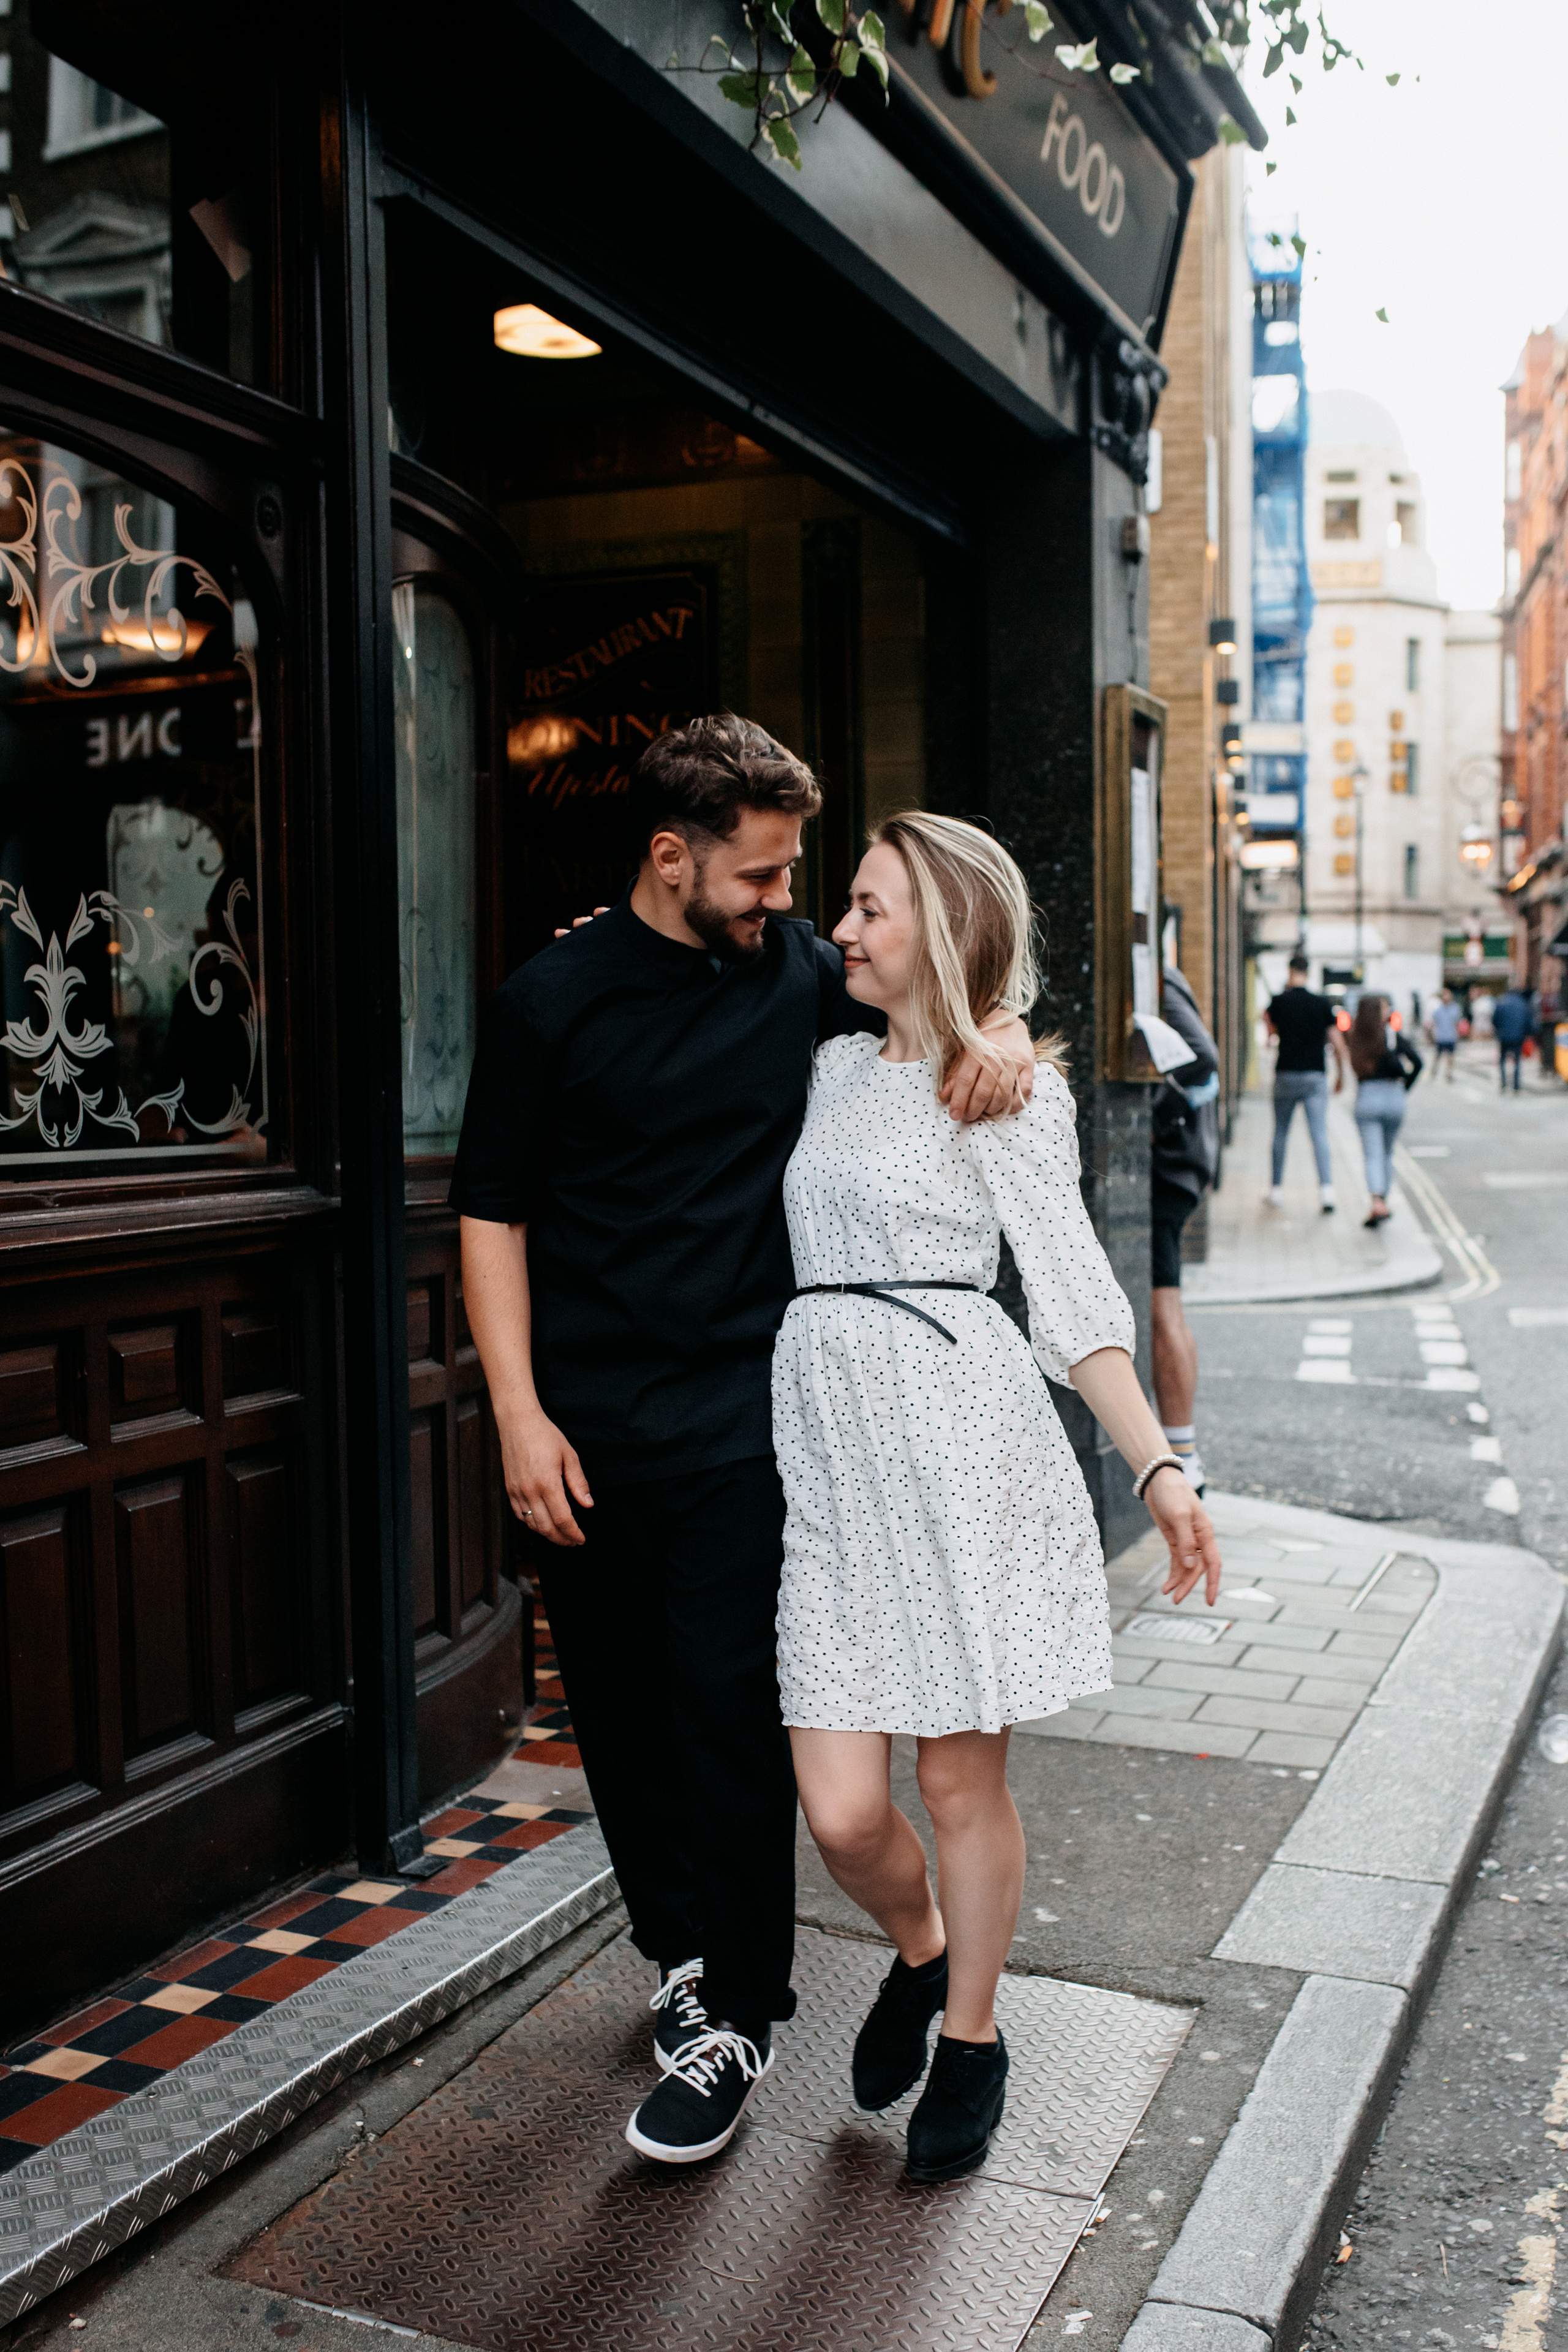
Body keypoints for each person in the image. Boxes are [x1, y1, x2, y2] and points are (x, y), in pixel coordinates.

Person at [450, 715, 1036, 2169]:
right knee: (624, 1719)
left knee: (724, 1709)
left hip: (744, 1422)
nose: (789, 902)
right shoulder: (550, 1001)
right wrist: (516, 1413)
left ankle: (738, 2011)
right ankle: (676, 1959)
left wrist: (1007, 1039)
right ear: (671, 856)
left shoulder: (798, 988)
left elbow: (938, 1006)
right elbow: (490, 1214)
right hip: (580, 1433)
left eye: (798, 875)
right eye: (764, 874)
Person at [774, 814, 1222, 2185]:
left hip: (957, 1448)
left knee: (957, 1780)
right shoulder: (830, 1063)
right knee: (841, 1812)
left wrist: (1156, 1464)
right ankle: (920, 1956)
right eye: (840, 905)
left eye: (867, 908)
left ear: (947, 925)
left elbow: (1076, 1296)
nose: (839, 930)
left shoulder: (1002, 1087)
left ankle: (970, 2035)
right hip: (830, 1464)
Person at [1150, 962, 1221, 1494]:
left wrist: (1148, 1119)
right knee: (1166, 1304)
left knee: (1162, 1306)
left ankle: (1184, 1458)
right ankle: (1185, 1451)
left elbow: (1203, 1060)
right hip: (1180, 1164)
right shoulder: (1161, 971)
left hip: (1167, 1166)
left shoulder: (1158, 974)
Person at [1263, 952, 1349, 1212]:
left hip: (1286, 1074)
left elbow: (1269, 1027)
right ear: (1308, 973)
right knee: (1319, 1134)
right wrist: (1342, 1075)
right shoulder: (1321, 1004)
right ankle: (1327, 1192)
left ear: (1290, 972)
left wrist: (1274, 1035)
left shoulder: (1279, 1002)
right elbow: (1338, 1043)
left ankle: (1276, 1190)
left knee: (1280, 1133)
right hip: (1315, 1076)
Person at [1348, 994, 1422, 1227]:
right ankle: (1383, 1201)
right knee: (1387, 1153)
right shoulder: (1391, 1037)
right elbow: (1418, 1063)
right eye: (1385, 1007)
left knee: (1372, 1154)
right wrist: (1404, 1087)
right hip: (1394, 1098)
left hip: (1367, 1096)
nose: (1389, 1011)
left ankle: (1377, 1201)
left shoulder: (1355, 1038)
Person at [1493, 984, 1534, 1091]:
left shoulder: (1501, 1001)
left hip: (1504, 1036)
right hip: (1518, 1036)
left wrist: (1498, 1031)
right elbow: (1528, 1021)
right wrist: (1528, 1033)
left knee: (1503, 1060)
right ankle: (1516, 1085)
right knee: (1516, 1060)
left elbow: (1495, 1019)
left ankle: (1504, 1083)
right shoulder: (1522, 1003)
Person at [1428, 987, 1461, 1081]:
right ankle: (1433, 1073)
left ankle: (1449, 1075)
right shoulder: (1438, 1009)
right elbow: (1433, 1022)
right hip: (1441, 1037)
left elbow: (1457, 1023)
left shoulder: (1455, 1008)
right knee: (1437, 1056)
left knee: (1450, 1058)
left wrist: (1457, 1035)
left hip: (1451, 1036)